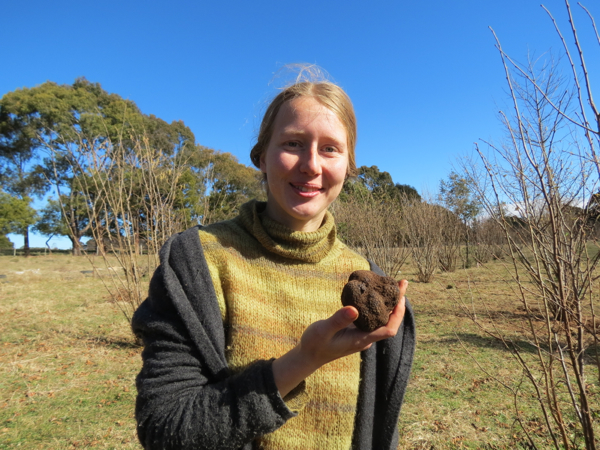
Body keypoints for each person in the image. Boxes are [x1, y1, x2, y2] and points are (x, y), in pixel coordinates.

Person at [132, 74, 416, 450]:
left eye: (330, 149)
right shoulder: (197, 262)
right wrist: (302, 361)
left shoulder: (373, 284)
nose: (311, 165)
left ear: (349, 166)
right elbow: (164, 427)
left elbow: (381, 432)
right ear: (261, 157)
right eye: (293, 143)